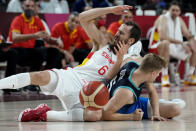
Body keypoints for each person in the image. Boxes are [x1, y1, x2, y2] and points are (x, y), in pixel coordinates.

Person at [0, 5, 142, 122]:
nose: (116, 34)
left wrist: (119, 60)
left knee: (94, 116)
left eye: (121, 33)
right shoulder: (103, 42)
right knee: (40, 76)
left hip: (88, 94)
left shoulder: (127, 61)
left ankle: (43, 113)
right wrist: (110, 10)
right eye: (118, 30)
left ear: (130, 41)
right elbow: (82, 18)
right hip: (71, 77)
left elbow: (108, 79)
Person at [102, 53, 184, 121]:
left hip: (134, 103)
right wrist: (131, 116)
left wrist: (156, 114)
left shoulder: (133, 65)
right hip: (125, 108)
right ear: (153, 73)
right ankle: (165, 102)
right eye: (158, 73)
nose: (158, 75)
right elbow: (105, 113)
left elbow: (152, 92)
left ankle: (164, 103)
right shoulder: (126, 92)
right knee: (178, 107)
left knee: (177, 107)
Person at [148, 1, 196, 86]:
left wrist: (192, 41)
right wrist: (181, 42)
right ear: (168, 10)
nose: (175, 12)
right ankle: (165, 76)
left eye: (177, 10)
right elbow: (162, 37)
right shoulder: (163, 18)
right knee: (166, 43)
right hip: (156, 46)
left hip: (174, 47)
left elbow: (188, 35)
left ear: (180, 11)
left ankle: (190, 76)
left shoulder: (179, 20)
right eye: (173, 10)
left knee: (194, 44)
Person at [8, 0, 62, 71]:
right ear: (23, 7)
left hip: (31, 50)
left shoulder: (37, 21)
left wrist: (55, 41)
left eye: (32, 6)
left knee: (54, 52)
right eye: (27, 6)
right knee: (40, 52)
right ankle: (33, 76)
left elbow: (46, 37)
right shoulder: (17, 20)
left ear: (35, 8)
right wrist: (34, 35)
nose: (30, 8)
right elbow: (14, 38)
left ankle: (46, 75)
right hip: (18, 50)